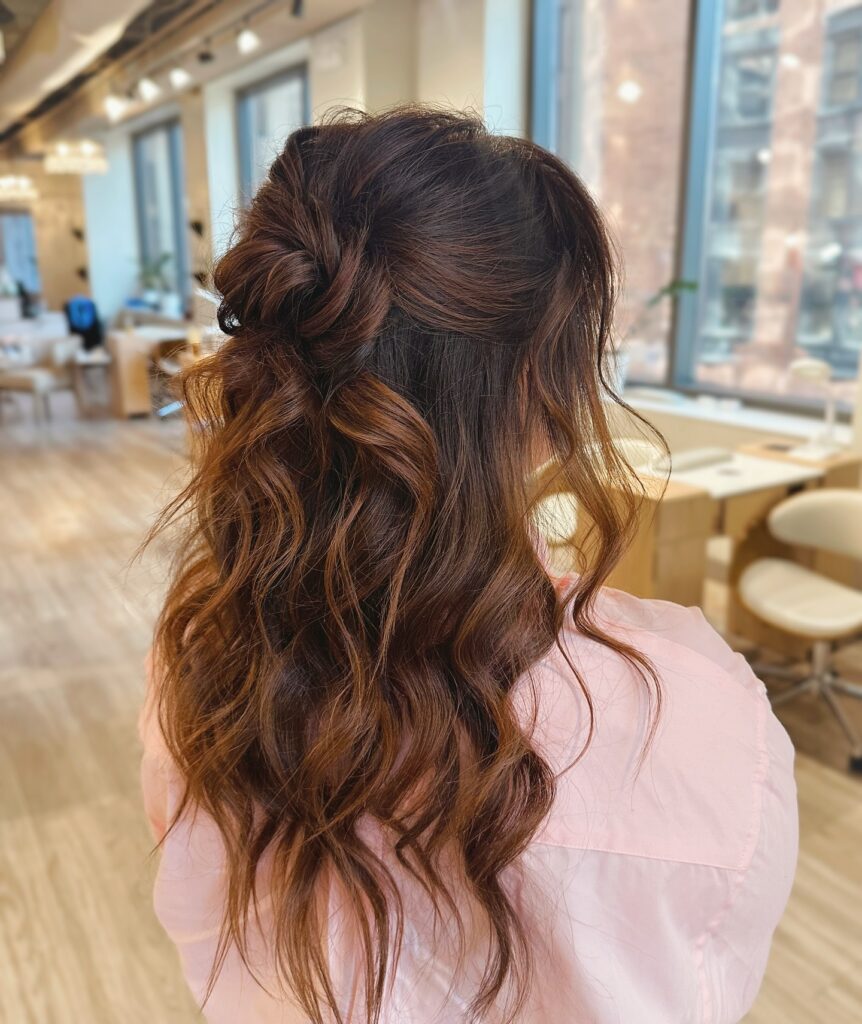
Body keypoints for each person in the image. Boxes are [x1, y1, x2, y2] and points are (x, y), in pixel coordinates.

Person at [141, 108, 797, 1024]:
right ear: (539, 388)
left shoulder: (201, 664)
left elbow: (208, 935)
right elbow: (706, 986)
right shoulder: (699, 712)